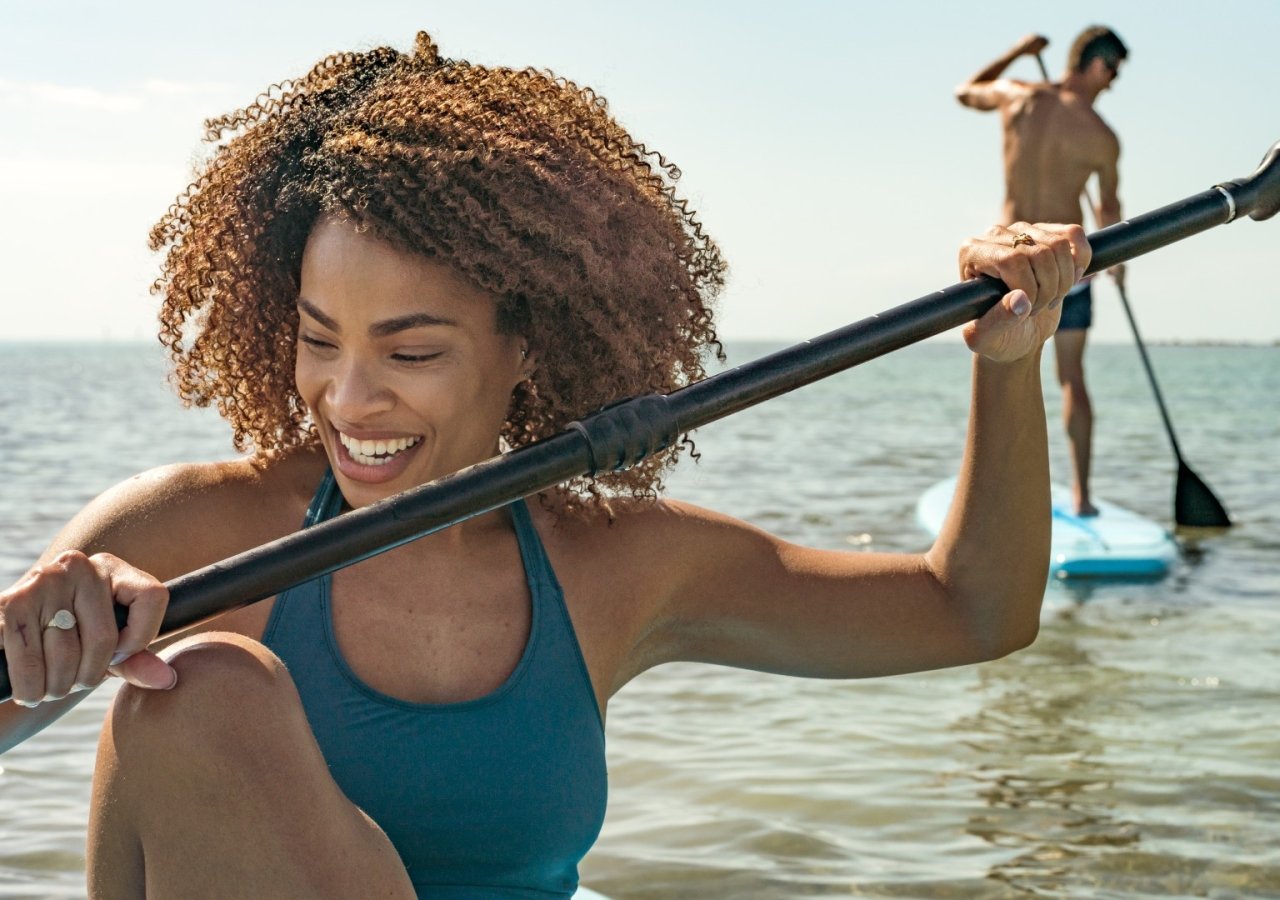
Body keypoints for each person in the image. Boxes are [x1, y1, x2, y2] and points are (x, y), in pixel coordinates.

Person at [0, 31, 1088, 899]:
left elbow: (971, 611)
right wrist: (47, 631)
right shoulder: (187, 532)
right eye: (318, 337)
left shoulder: (614, 566)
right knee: (204, 692)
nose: (347, 397)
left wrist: (1009, 362)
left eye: (411, 350)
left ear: (528, 345)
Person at [955, 26, 1128, 516]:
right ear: (1098, 63)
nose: (1112, 84)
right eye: (1113, 72)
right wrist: (1120, 265)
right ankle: (1083, 497)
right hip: (1067, 265)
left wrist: (1017, 53)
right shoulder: (1102, 137)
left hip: (1008, 261)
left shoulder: (1017, 95)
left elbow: (966, 92)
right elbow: (1110, 210)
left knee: (1004, 371)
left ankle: (999, 501)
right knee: (1072, 377)